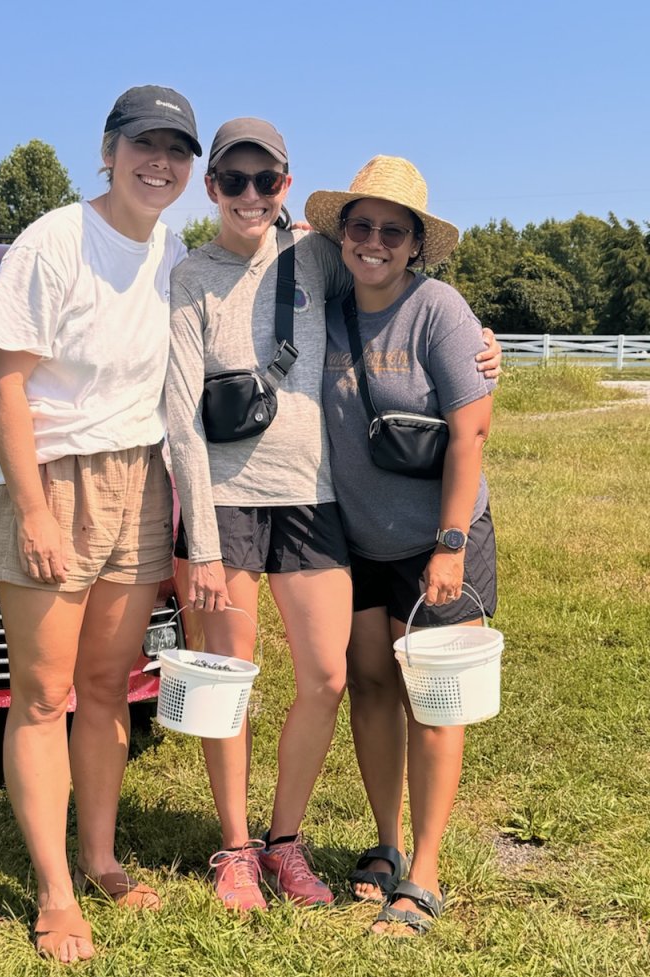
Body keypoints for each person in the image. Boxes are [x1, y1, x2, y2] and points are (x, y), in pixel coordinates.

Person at [166, 121, 501, 914]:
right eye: (233, 180)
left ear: (286, 187)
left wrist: (485, 346)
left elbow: (440, 357)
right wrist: (203, 544)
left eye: (265, 180)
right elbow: (179, 413)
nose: (250, 194)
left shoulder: (321, 257)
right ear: (211, 187)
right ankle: (237, 848)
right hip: (236, 504)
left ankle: (292, 844)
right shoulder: (192, 276)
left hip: (322, 504)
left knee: (328, 677)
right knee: (240, 682)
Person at [0, 85, 201, 961]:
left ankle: (100, 857)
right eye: (145, 142)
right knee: (43, 694)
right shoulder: (54, 241)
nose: (161, 162)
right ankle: (55, 892)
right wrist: (32, 510)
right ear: (107, 148)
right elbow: (6, 382)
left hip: (142, 478)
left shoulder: (173, 249)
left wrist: (469, 333)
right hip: (54, 476)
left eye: (178, 150)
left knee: (108, 688)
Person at [306, 155, 498, 935]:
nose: (374, 242)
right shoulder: (323, 301)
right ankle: (382, 844)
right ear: (341, 235)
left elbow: (472, 429)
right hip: (356, 540)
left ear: (416, 244)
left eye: (393, 230)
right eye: (361, 226)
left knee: (435, 702)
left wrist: (449, 544)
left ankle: (424, 869)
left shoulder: (440, 311)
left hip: (439, 539)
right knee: (373, 685)